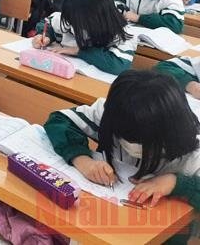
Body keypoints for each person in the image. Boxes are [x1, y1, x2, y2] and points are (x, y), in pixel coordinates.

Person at [44, 70, 200, 228]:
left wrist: (176, 182)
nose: (131, 146)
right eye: (123, 137)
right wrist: (83, 160)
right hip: (102, 213)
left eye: (145, 143)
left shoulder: (192, 152)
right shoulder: (116, 115)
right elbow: (59, 121)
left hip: (160, 232)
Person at [33, 0, 136, 75]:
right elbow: (48, 23)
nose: (71, 25)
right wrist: (46, 36)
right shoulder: (72, 19)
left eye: (76, 22)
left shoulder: (123, 34)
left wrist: (79, 51)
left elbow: (119, 65)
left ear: (94, 20)